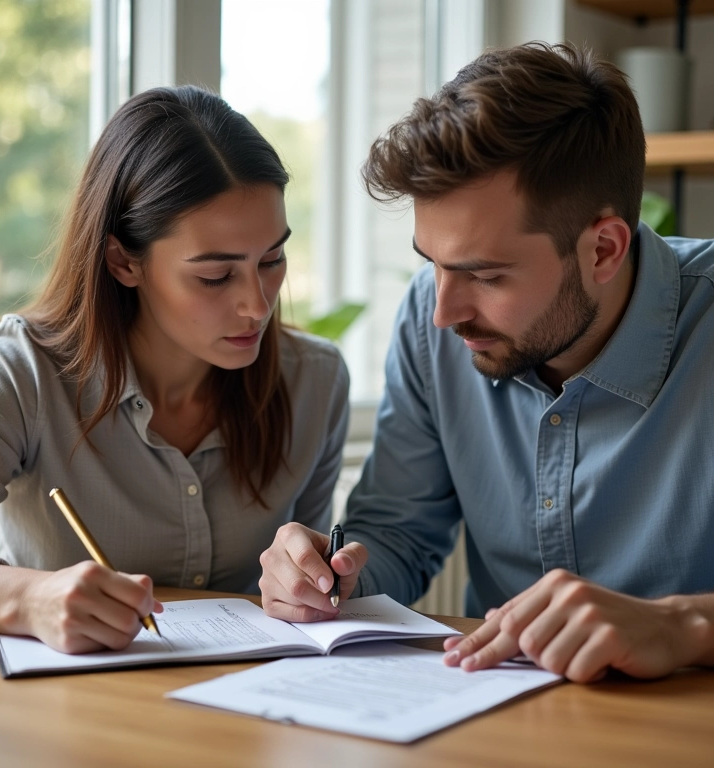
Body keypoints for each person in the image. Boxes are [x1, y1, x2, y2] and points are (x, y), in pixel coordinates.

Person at [259, 42, 714, 683]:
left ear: (604, 249)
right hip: (492, 716)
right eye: (432, 263)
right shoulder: (432, 316)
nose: (443, 312)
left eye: (486, 275)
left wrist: (682, 623)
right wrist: (327, 576)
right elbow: (399, 531)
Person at [0, 85, 349, 654]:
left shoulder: (316, 381)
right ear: (122, 260)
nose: (259, 305)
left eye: (273, 259)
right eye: (215, 276)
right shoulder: (23, 371)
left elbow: (303, 594)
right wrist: (30, 599)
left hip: (244, 708)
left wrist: (305, 582)